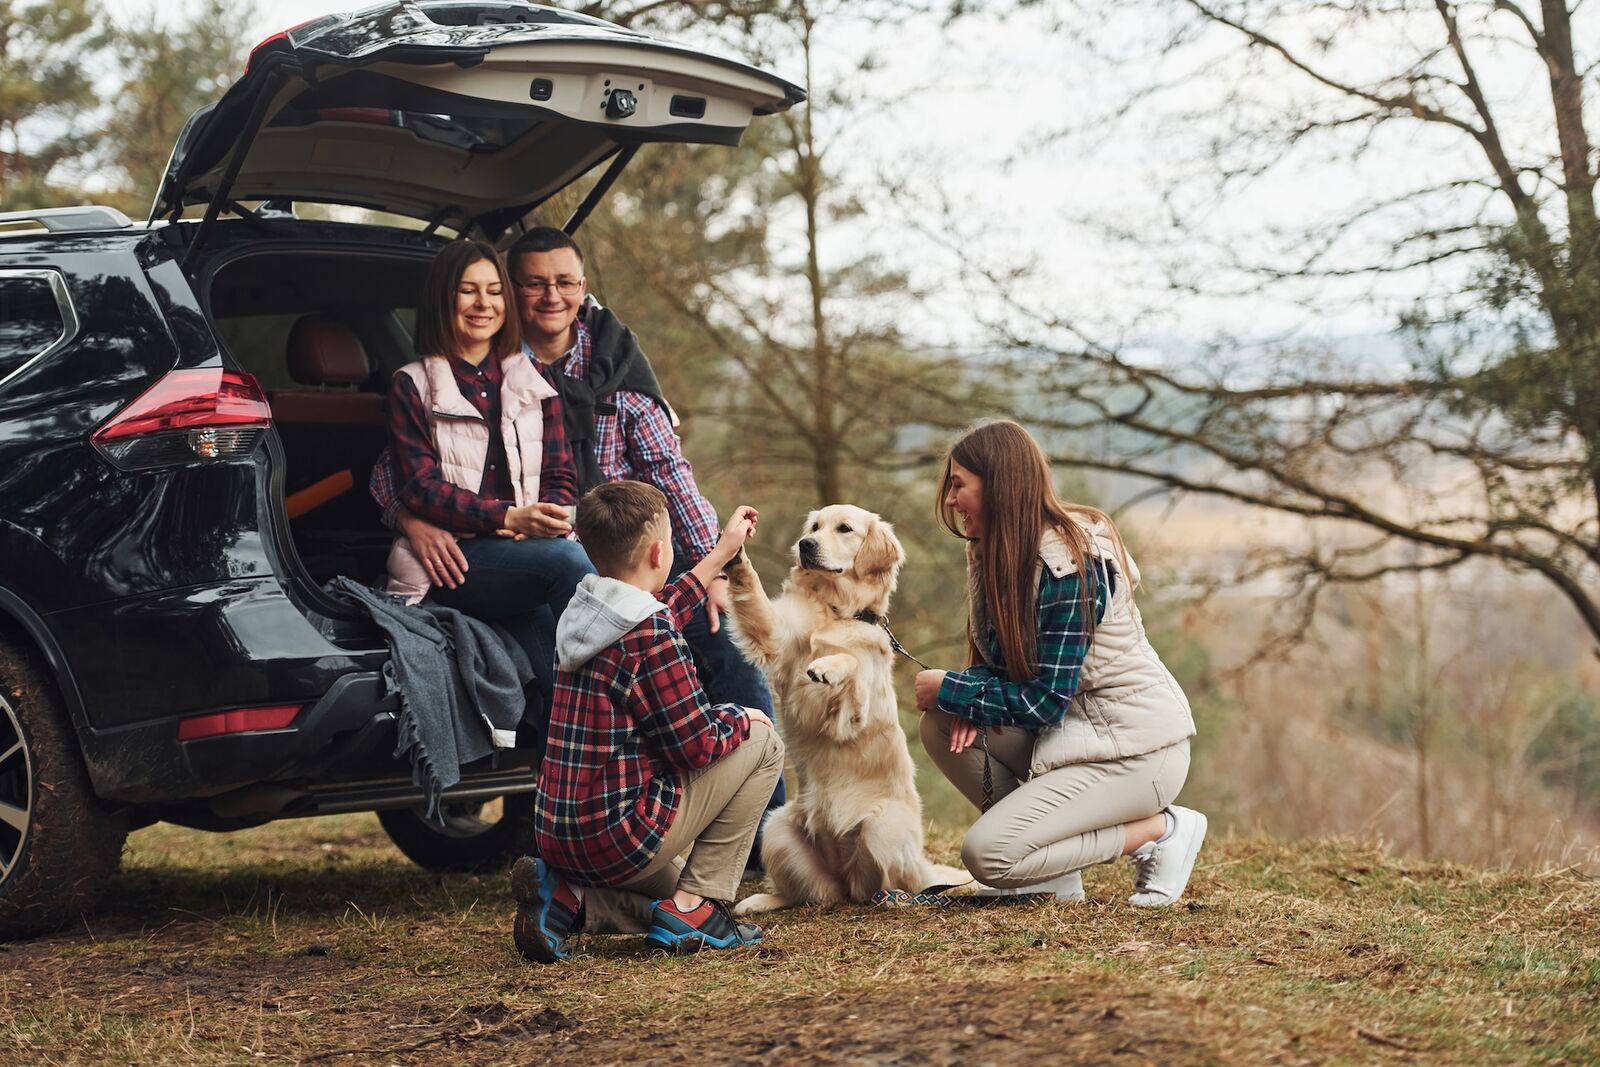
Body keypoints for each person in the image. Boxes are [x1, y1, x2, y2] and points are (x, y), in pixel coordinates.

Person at [372, 227, 784, 836]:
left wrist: (711, 569)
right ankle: (629, 822)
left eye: (563, 283)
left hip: (621, 559)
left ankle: (764, 834)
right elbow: (396, 474)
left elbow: (669, 474)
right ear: (516, 293)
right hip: (542, 561)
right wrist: (415, 519)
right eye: (533, 284)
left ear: (582, 289)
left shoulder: (608, 372)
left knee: (726, 645)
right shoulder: (458, 374)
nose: (550, 296)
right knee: (580, 649)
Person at [911, 420, 1207, 907]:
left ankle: (1162, 828)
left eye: (958, 484)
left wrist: (954, 689)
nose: (949, 499)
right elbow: (1017, 671)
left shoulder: (1068, 566)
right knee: (940, 723)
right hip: (1075, 735)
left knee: (988, 855)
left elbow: (1046, 699)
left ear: (999, 484)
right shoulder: (1000, 554)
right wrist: (959, 694)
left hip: (1133, 752)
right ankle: (1050, 877)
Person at [511, 481, 785, 961]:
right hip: (618, 835)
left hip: (560, 833)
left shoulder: (583, 610)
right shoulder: (653, 636)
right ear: (661, 551)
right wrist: (742, 718)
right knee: (765, 743)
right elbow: (695, 747)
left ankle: (571, 904)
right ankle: (697, 908)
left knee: (673, 885)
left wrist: (722, 553)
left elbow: (659, 609)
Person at [384, 239, 594, 716]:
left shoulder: (535, 380)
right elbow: (419, 486)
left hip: (530, 555)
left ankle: (566, 781)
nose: (484, 304)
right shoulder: (411, 382)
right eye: (468, 291)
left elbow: (561, 472)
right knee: (569, 564)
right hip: (456, 561)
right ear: (444, 300)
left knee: (560, 699)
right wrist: (510, 518)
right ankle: (622, 683)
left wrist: (552, 516)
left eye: (495, 291)